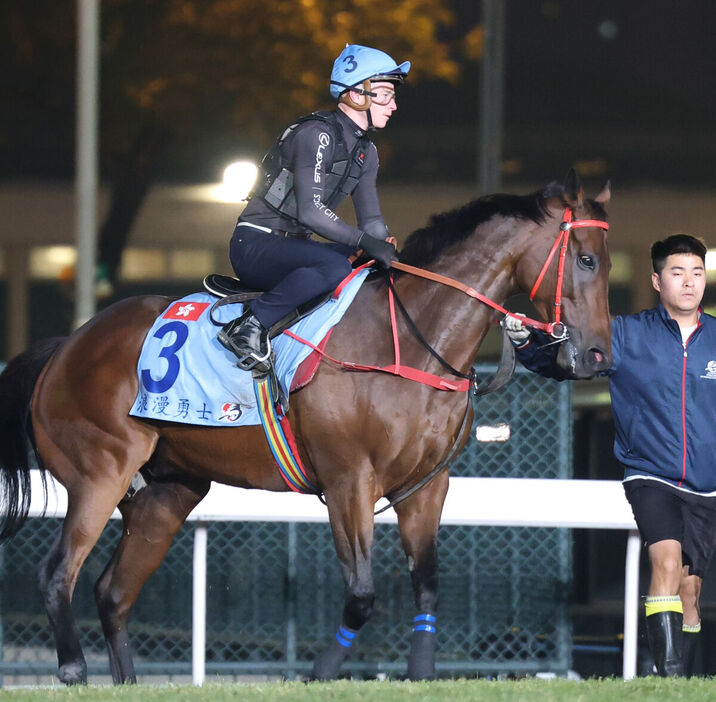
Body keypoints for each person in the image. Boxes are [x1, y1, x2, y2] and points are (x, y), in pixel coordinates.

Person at [504, 234, 716, 677]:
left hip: (708, 483)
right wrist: (526, 345)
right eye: (678, 273)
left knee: (691, 592)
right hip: (649, 476)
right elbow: (568, 363)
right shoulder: (625, 333)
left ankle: (684, 681)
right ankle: (669, 683)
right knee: (666, 561)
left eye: (697, 273)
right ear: (657, 281)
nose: (689, 282)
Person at [217, 44, 407, 372]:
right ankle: (249, 327)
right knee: (335, 268)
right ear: (358, 94)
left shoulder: (368, 152)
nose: (394, 105)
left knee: (369, 264)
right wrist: (365, 241)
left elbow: (371, 219)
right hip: (256, 243)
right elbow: (311, 212)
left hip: (294, 246)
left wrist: (385, 249)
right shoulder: (316, 134)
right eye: (386, 94)